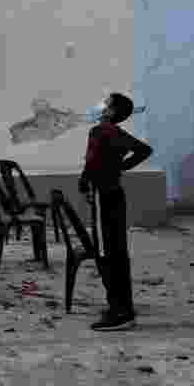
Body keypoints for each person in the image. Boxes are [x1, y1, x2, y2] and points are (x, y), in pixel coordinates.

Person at [78, 92, 153, 331]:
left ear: (110, 111)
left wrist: (84, 181)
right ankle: (124, 307)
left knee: (105, 255)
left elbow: (90, 162)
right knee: (118, 253)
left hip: (103, 195)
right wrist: (120, 168)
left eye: (105, 103)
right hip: (115, 195)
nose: (100, 106)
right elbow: (144, 150)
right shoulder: (116, 132)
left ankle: (118, 311)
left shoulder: (99, 131)